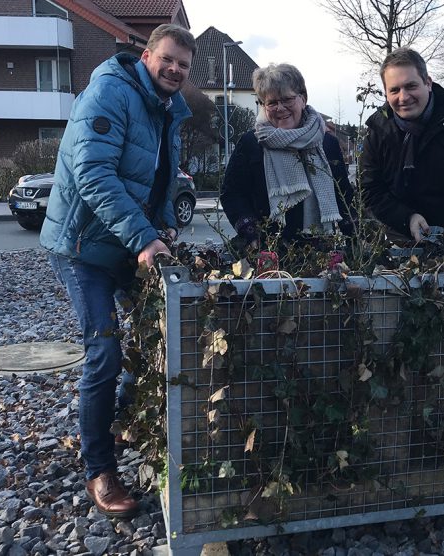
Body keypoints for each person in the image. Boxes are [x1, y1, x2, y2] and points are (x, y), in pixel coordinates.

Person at [39, 24, 195, 518]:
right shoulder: (110, 92)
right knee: (104, 350)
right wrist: (144, 238)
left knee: (161, 332)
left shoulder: (169, 109)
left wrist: (164, 228)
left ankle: (121, 418)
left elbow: (161, 180)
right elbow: (93, 174)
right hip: (83, 248)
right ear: (147, 56)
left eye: (183, 65)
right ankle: (99, 469)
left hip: (129, 245)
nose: (174, 69)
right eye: (167, 59)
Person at [360, 48, 444, 253]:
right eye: (394, 90)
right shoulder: (378, 129)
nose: (403, 97)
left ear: (428, 83)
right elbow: (370, 189)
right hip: (398, 236)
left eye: (411, 86)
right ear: (386, 93)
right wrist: (407, 218)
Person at [220, 63, 354, 247]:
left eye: (287, 100)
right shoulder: (252, 143)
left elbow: (344, 196)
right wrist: (250, 232)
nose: (280, 108)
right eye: (272, 103)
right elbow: (232, 194)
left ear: (303, 99)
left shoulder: (327, 144)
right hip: (268, 250)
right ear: (264, 106)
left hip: (319, 251)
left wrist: (357, 238)